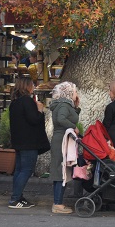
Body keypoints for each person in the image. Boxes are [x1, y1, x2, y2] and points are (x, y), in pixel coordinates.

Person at [8, 77, 49, 209]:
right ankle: (15, 198)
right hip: (29, 142)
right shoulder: (27, 101)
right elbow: (34, 119)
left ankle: (17, 196)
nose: (34, 87)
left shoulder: (15, 102)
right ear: (27, 86)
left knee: (19, 170)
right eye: (32, 85)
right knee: (26, 170)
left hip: (19, 141)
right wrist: (40, 110)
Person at [50, 81, 81, 214]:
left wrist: (76, 107)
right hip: (61, 140)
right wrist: (73, 127)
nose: (76, 94)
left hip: (63, 139)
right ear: (68, 93)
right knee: (60, 170)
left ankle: (58, 201)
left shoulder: (65, 105)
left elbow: (67, 117)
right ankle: (57, 203)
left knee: (61, 170)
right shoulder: (63, 105)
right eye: (75, 91)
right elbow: (61, 119)